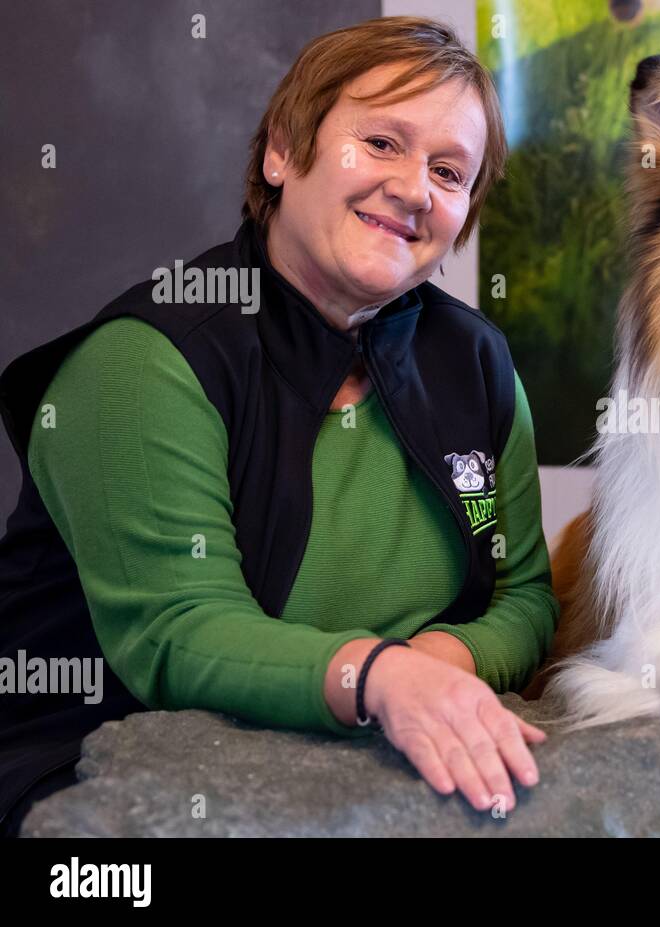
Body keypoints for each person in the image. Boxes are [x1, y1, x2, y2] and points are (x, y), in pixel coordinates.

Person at [0, 16, 557, 836]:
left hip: (370, 758)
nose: (413, 189)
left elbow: (526, 596)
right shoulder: (146, 360)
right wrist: (380, 679)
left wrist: (432, 672)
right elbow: (179, 632)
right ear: (281, 152)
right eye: (380, 143)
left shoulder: (477, 362)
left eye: (449, 171)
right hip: (87, 777)